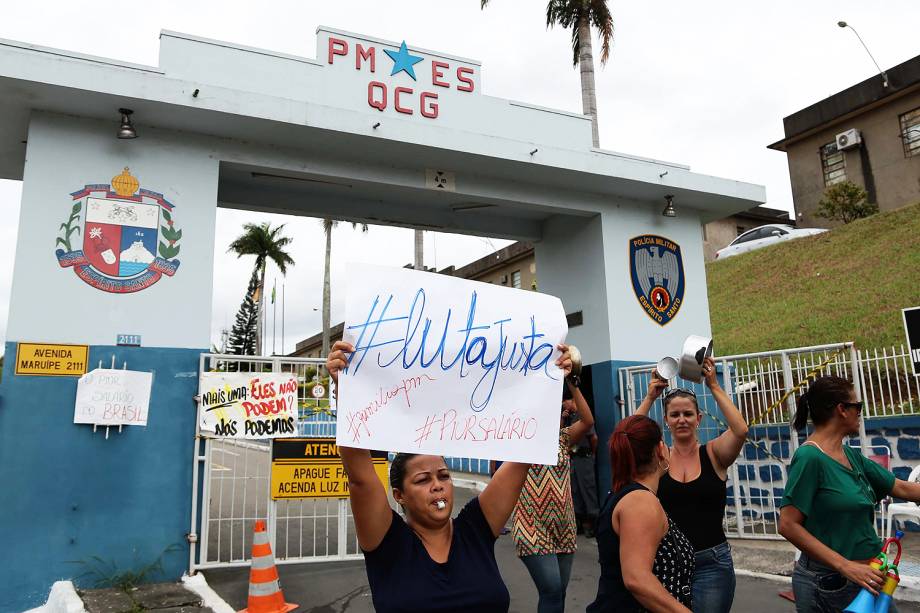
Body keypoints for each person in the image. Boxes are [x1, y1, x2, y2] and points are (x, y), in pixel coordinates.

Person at [326, 339, 573, 613]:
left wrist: (550, 381)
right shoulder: (388, 543)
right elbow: (361, 478)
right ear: (399, 495)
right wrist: (345, 389)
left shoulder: (475, 529)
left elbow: (524, 455)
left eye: (443, 476)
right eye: (422, 480)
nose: (437, 486)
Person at [779, 375, 920, 613]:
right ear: (842, 409)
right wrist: (846, 566)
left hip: (869, 579)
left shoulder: (851, 456)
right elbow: (787, 524)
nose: (860, 413)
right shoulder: (810, 458)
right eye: (858, 407)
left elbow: (904, 488)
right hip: (831, 584)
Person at [635, 356, 748, 613]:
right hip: (667, 562)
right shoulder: (659, 458)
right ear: (666, 420)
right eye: (674, 415)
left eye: (687, 414)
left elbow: (740, 430)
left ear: (698, 419)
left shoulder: (714, 454)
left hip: (712, 563)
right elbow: (628, 437)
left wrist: (714, 385)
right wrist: (650, 397)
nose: (681, 419)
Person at [587, 414, 694, 612]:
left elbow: (628, 433)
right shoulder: (640, 502)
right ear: (659, 450)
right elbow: (637, 579)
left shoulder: (626, 493)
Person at [511, 375, 594, 613]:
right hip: (531, 527)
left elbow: (587, 421)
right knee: (551, 591)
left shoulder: (562, 440)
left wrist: (573, 384)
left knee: (559, 594)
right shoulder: (519, 442)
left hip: (564, 526)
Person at [568, 412, 599, 537]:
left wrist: (591, 454)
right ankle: (581, 524)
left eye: (566, 401)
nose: (564, 405)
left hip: (584, 456)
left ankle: (594, 525)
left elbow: (594, 438)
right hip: (574, 458)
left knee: (588, 489)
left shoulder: (582, 415)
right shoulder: (569, 417)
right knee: (575, 491)